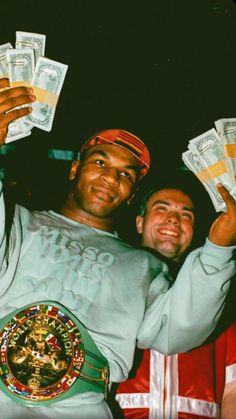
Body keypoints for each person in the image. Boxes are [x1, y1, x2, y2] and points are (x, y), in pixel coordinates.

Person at [0, 77, 235, 419]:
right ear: (74, 168)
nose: (111, 178)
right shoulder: (17, 221)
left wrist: (218, 248)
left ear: (132, 196)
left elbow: (178, 332)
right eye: (100, 162)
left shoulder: (143, 266)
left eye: (126, 175)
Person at [115, 186, 236, 418]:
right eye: (162, 209)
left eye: (185, 215)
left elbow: (233, 389)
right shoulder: (110, 280)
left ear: (194, 230)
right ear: (140, 223)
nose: (173, 219)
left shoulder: (223, 294)